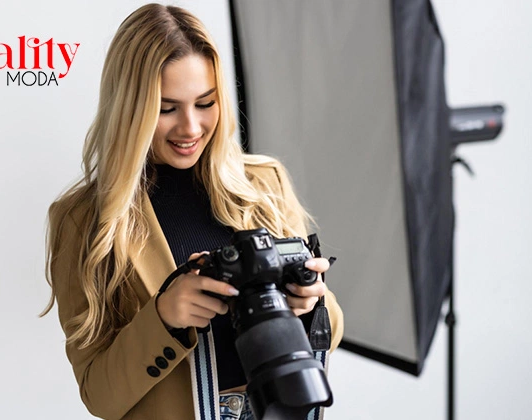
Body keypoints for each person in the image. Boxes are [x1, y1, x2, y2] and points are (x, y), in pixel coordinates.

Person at [42, 3, 343, 420]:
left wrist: (310, 302)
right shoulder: (82, 221)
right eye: (166, 108)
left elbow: (333, 329)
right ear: (130, 109)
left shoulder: (263, 183)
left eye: (206, 102)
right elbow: (100, 396)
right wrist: (164, 317)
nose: (191, 127)